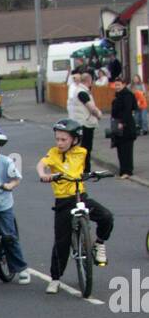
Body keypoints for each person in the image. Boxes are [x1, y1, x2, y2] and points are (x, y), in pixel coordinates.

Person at [36, 119, 113, 293]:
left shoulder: (82, 152)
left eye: (64, 139)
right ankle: (55, 279)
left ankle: (98, 243)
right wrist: (44, 175)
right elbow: (41, 164)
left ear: (75, 139)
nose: (59, 143)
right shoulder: (53, 153)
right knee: (61, 242)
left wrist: (94, 175)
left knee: (106, 216)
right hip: (63, 202)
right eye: (57, 139)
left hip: (80, 196)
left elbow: (85, 170)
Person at [0, 134, 29, 283]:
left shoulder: (6, 162)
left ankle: (21, 268)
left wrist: (9, 185)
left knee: (9, 235)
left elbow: (16, 179)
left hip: (3, 204)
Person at [67, 71, 102, 172]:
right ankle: (85, 169)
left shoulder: (79, 90)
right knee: (86, 147)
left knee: (82, 147)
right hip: (86, 123)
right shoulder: (82, 92)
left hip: (80, 122)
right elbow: (91, 107)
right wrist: (99, 114)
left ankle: (83, 168)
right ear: (89, 81)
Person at [109, 79, 138, 179]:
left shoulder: (127, 95)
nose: (117, 87)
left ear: (124, 85)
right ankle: (122, 170)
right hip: (118, 124)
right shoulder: (118, 95)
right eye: (115, 85)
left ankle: (127, 171)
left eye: (118, 85)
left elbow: (127, 110)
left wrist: (122, 122)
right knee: (120, 148)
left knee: (127, 149)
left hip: (126, 126)